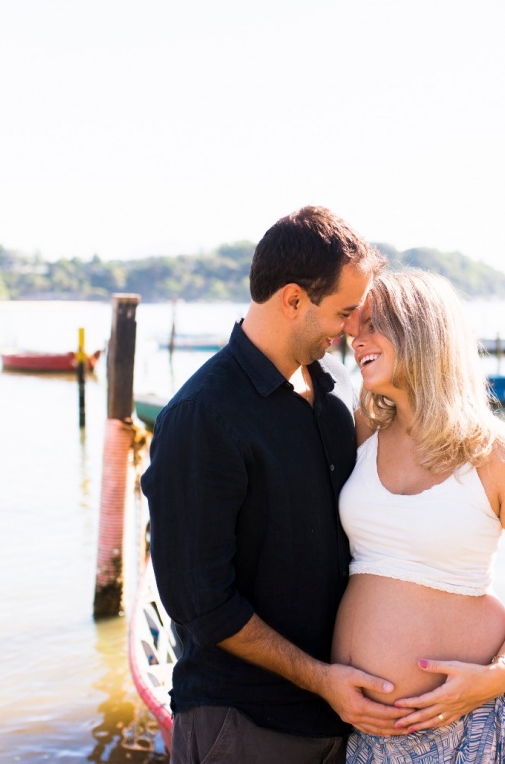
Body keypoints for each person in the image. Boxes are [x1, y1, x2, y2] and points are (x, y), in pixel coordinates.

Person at [142, 206, 400, 764]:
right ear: (293, 300)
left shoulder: (335, 397)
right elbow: (201, 605)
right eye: (345, 311)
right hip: (244, 725)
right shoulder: (201, 417)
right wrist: (322, 679)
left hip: (342, 721)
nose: (351, 329)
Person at [333, 269, 505, 763]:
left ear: (420, 328)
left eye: (373, 325)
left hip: (480, 721)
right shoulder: (361, 434)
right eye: (354, 329)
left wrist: (501, 674)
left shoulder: (499, 454)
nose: (356, 340)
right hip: (373, 737)